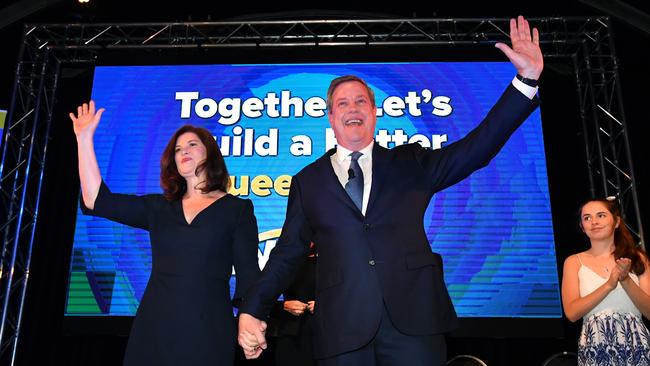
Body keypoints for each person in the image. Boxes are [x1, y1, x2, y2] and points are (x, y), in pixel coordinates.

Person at [238, 15, 544, 366]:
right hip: (342, 328)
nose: (352, 108)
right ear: (330, 116)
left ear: (374, 112)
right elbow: (288, 252)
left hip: (414, 323)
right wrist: (252, 307)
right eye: (343, 103)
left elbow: (477, 148)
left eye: (360, 101)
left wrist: (526, 80)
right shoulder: (308, 180)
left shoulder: (409, 161)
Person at [69, 102, 260, 366]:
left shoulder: (237, 209)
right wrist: (84, 138)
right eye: (178, 149)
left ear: (210, 153)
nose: (183, 151)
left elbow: (249, 273)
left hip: (209, 329)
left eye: (192, 144)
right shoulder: (159, 208)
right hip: (155, 328)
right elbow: (96, 200)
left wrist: (250, 319)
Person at [561, 198, 650, 365]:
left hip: (637, 347)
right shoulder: (573, 262)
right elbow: (572, 313)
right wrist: (609, 285)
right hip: (595, 348)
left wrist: (625, 280)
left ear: (616, 221)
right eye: (587, 218)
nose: (594, 222)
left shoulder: (638, 258)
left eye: (601, 215)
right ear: (582, 226)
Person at [269, 242, 317, 366]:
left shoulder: (331, 260)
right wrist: (285, 305)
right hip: (291, 333)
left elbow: (348, 296)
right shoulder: (284, 262)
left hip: (324, 334)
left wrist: (326, 304)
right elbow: (264, 301)